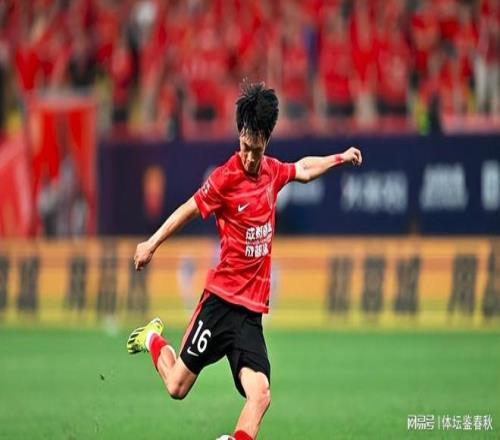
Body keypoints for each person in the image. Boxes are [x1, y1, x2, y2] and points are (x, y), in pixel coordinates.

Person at [127, 82, 362, 440]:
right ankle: (152, 338)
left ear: (267, 140)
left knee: (261, 394)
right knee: (176, 386)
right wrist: (152, 243)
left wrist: (339, 158)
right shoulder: (224, 179)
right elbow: (188, 209)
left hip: (250, 314)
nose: (250, 157)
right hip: (220, 303)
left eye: (257, 149)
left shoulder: (272, 172)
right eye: (245, 147)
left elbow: (302, 169)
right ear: (239, 136)